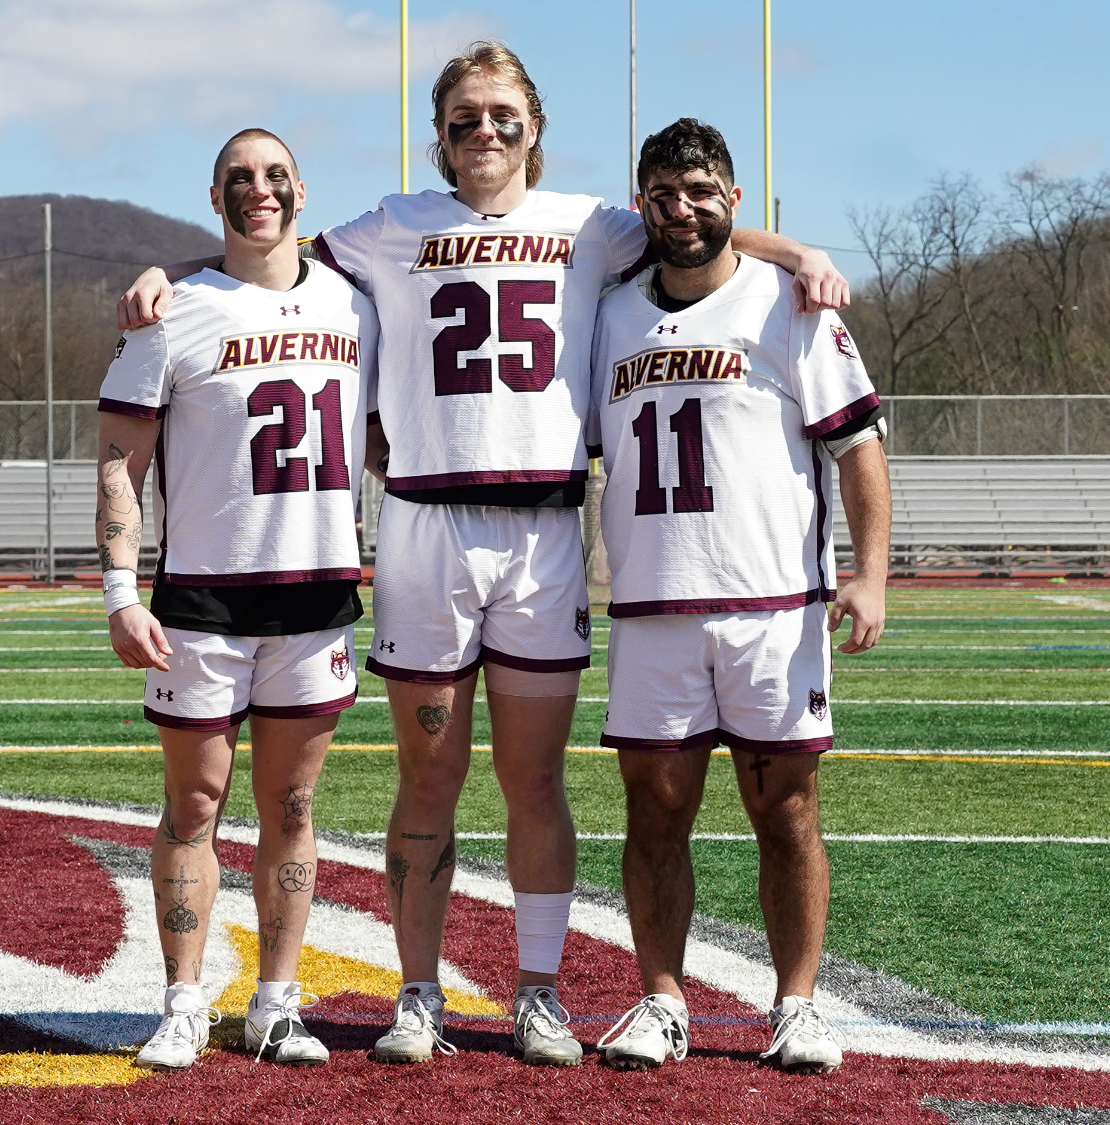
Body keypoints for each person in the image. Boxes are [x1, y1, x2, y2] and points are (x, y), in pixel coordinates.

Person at [115, 42, 851, 1067]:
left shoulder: (590, 226)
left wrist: (793, 249)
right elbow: (265, 252)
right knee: (428, 776)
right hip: (427, 525)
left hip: (543, 531)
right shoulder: (392, 223)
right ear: (440, 134)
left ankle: (536, 991)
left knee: (533, 780)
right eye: (464, 118)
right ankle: (417, 993)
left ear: (534, 127)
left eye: (503, 115)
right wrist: (173, 272)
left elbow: (694, 229)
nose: (485, 133)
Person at [585, 119, 890, 1075]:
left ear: (734, 201)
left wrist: (872, 572)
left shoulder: (789, 305)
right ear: (641, 205)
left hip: (772, 607)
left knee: (787, 812)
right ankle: (662, 999)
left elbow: (859, 446)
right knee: (653, 815)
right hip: (655, 607)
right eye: (663, 196)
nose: (683, 211)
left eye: (701, 192)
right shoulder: (608, 315)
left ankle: (796, 1004)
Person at [98, 127, 377, 1070]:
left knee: (292, 805)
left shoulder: (356, 300)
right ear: (214, 197)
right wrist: (119, 591)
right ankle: (183, 999)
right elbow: (120, 459)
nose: (260, 190)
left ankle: (276, 1002)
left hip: (316, 593)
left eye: (275, 175)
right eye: (239, 178)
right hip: (204, 599)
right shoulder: (168, 312)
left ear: (304, 191)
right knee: (195, 801)